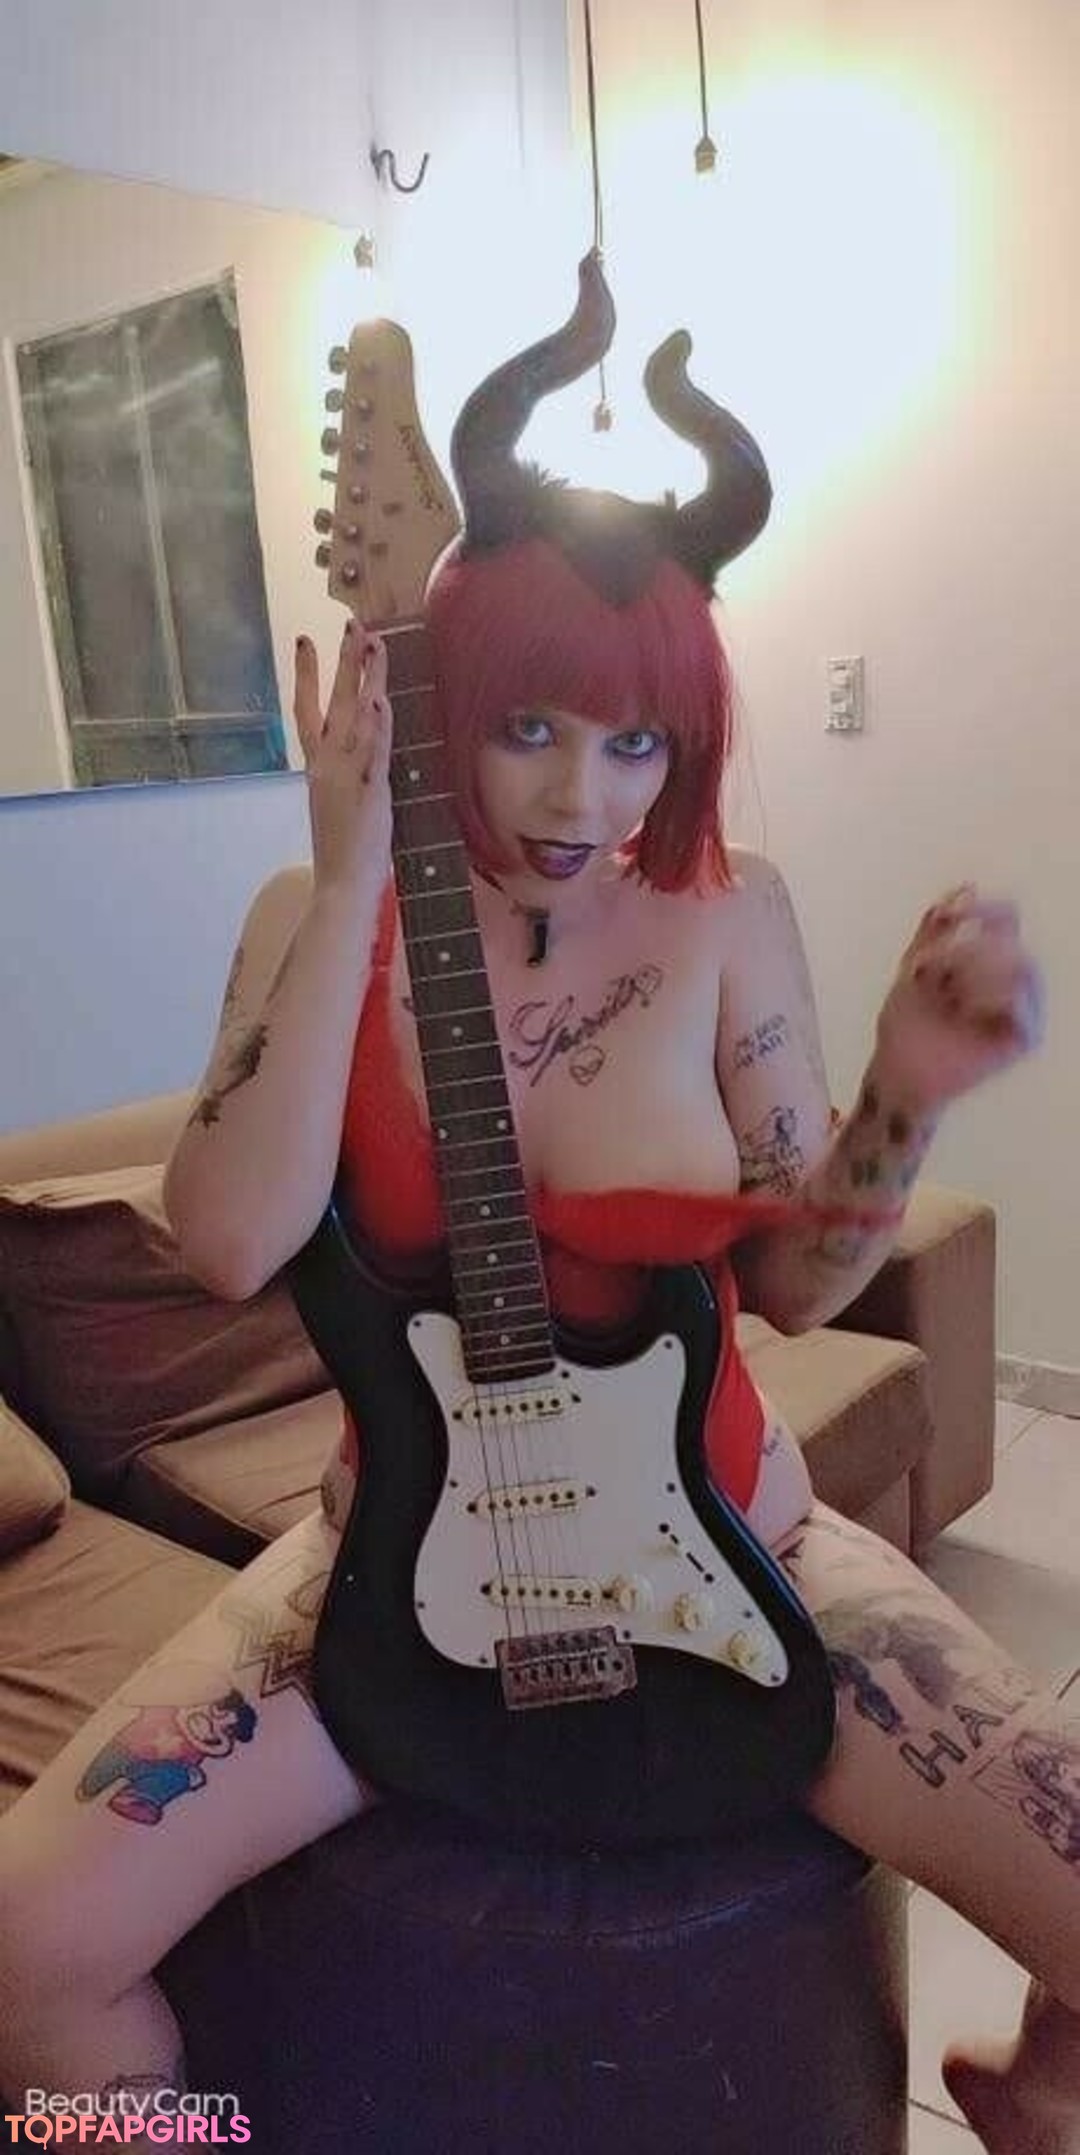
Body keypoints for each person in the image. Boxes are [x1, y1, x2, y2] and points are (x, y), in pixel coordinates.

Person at [0, 252, 1072, 2155]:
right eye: (533, 729)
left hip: (735, 1534)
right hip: (393, 1559)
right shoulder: (316, 913)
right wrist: (347, 882)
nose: (588, 792)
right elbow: (230, 1243)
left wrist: (907, 1092)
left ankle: (1041, 2093)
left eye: (637, 739)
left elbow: (807, 1285)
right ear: (449, 698)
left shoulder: (731, 913)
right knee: (26, 1955)